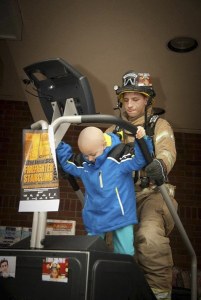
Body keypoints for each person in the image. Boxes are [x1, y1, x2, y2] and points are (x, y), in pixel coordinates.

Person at [106, 71, 178, 300]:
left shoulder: (159, 124)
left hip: (152, 194)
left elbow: (167, 150)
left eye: (135, 99)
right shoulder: (112, 129)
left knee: (149, 237)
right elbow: (97, 154)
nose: (129, 105)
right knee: (110, 247)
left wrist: (160, 164)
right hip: (120, 198)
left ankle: (159, 295)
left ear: (147, 100)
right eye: (125, 100)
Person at [56, 126, 153, 257]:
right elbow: (68, 163)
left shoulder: (119, 155)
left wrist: (142, 140)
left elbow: (140, 159)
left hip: (120, 214)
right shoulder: (85, 162)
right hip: (96, 215)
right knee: (91, 252)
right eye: (86, 155)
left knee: (124, 254)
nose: (89, 159)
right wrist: (57, 144)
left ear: (104, 144)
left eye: (93, 154)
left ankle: (123, 276)